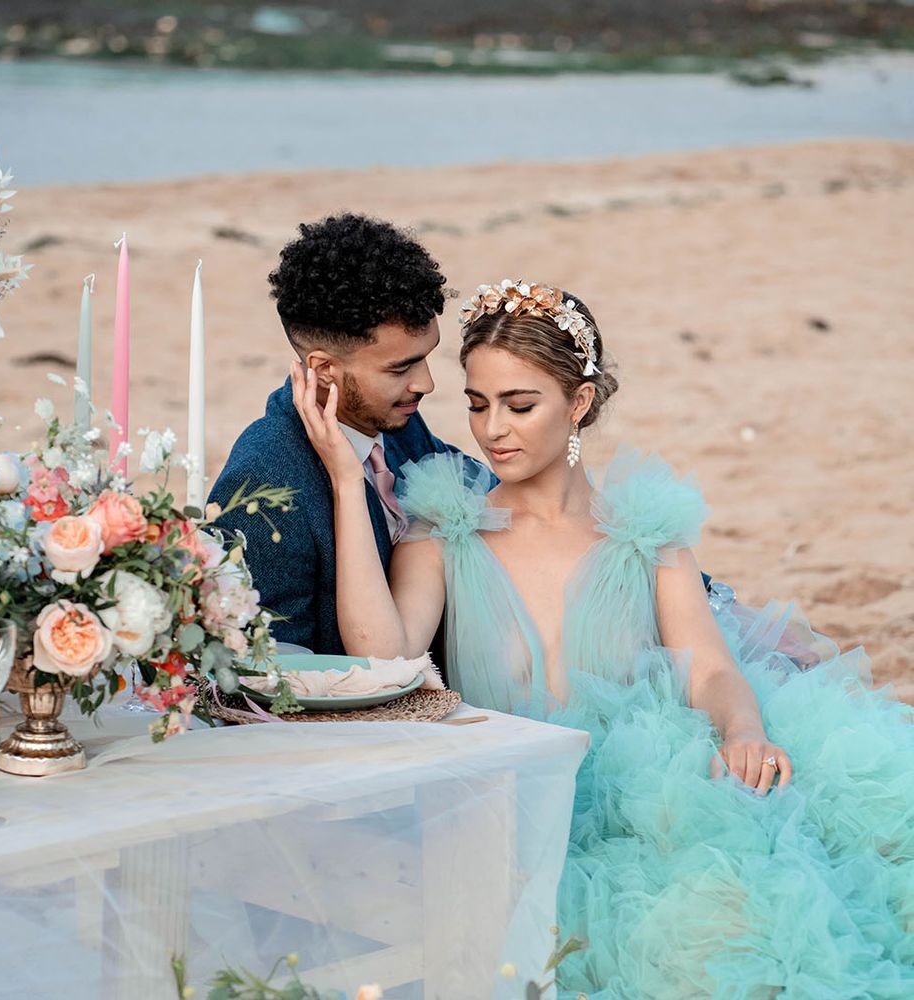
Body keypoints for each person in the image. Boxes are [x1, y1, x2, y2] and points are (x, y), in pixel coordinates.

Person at [290, 278, 914, 997]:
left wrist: (744, 731)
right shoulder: (444, 528)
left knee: (755, 920)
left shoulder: (643, 530)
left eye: (521, 406)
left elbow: (709, 669)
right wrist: (344, 477)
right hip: (517, 808)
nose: (494, 430)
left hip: (651, 798)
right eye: (478, 404)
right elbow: (385, 659)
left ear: (579, 403)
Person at [209, 213, 472, 654]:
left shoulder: (394, 419)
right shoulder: (262, 484)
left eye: (425, 358)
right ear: (324, 370)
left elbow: (481, 492)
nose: (425, 383)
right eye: (401, 368)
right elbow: (271, 669)